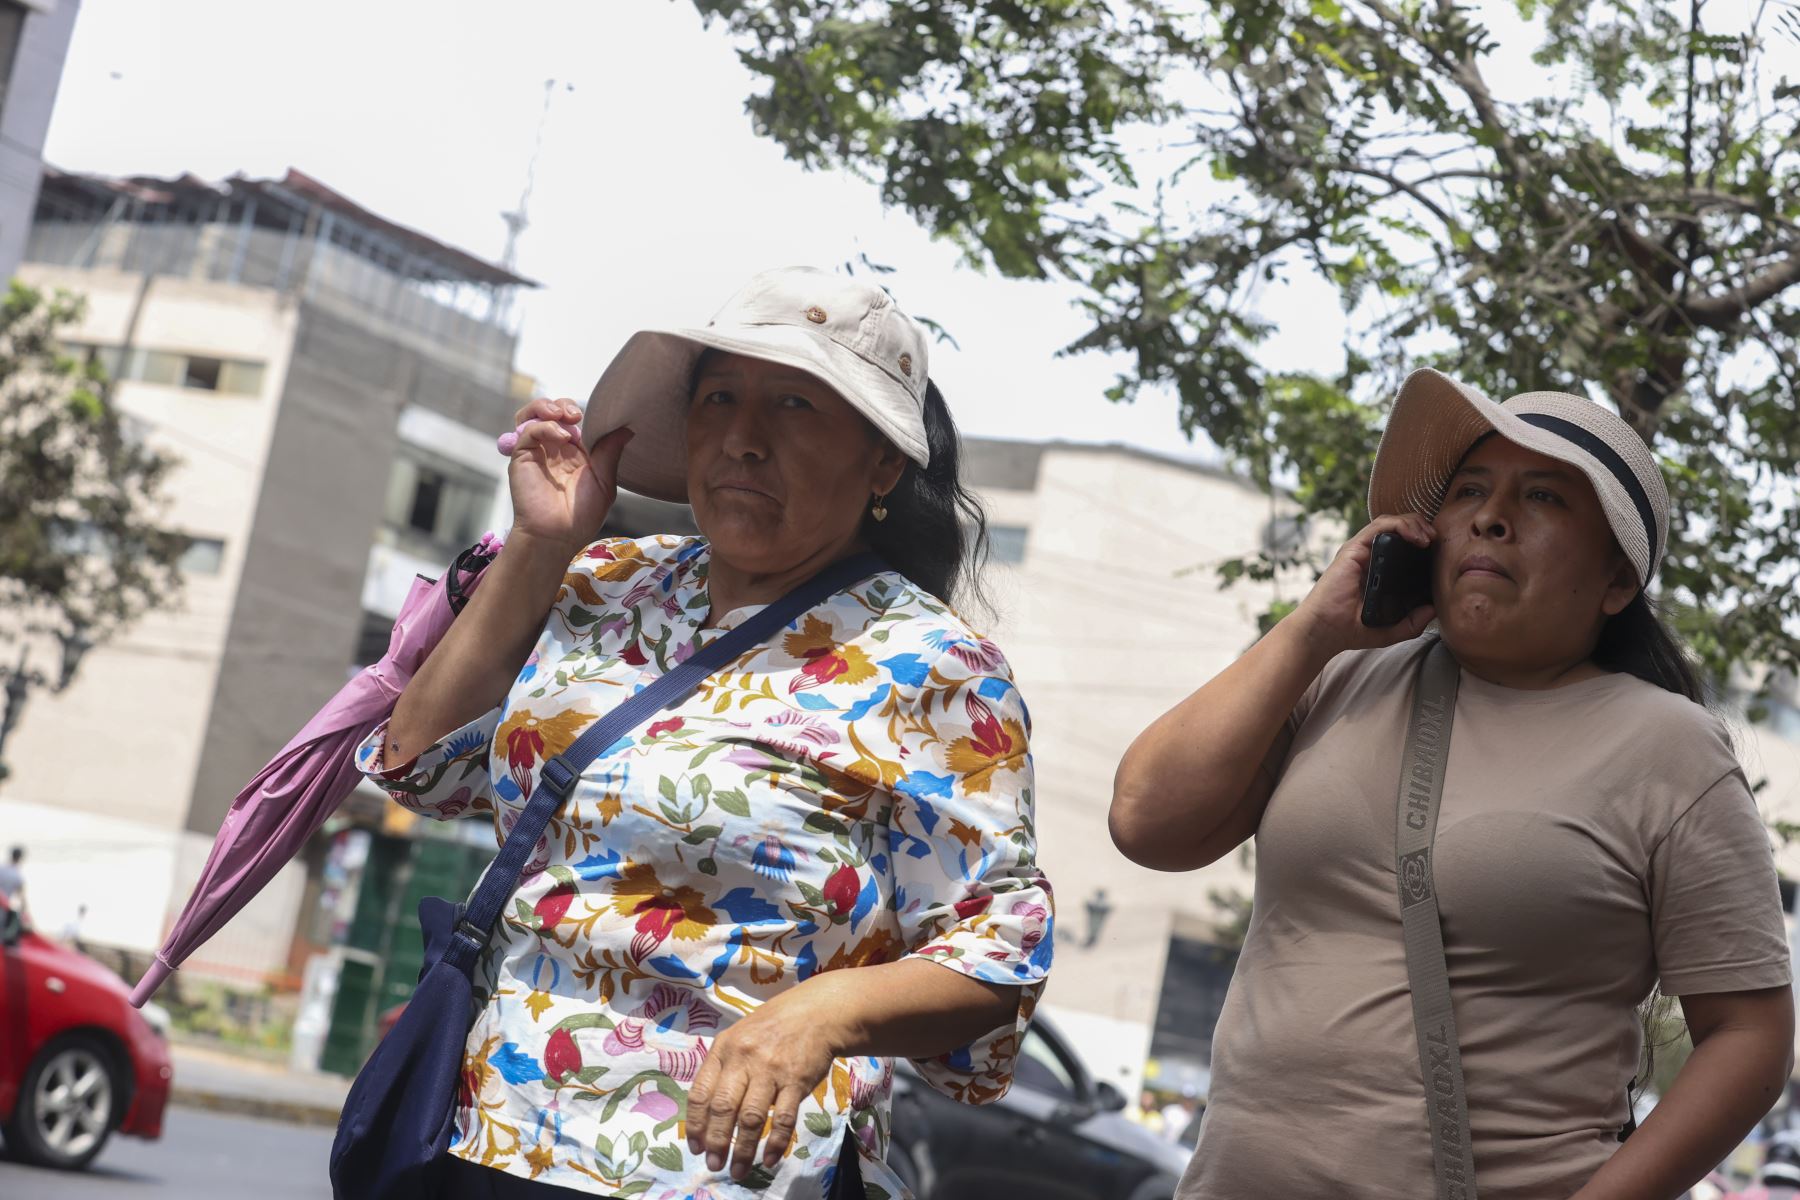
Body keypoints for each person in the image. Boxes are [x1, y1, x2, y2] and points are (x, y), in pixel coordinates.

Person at [360, 267, 1053, 1198]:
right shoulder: (606, 580)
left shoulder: (937, 668)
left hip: (720, 1171)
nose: (743, 439)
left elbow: (998, 958)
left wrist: (827, 1013)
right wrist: (541, 541)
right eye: (719, 397)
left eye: (796, 406)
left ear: (884, 462)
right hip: (485, 1136)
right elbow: (417, 767)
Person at [1110, 369, 1793, 1200]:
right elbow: (1147, 821)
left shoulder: (1671, 750)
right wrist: (1315, 628)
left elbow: (1751, 1036)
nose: (1490, 517)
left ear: (1618, 581)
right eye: (1469, 490)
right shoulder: (1338, 678)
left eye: (1542, 497)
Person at [0, 846, 25, 918]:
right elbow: (22, 900)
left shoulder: (1, 868)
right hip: (2, 912)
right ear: (20, 858)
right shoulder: (18, 876)